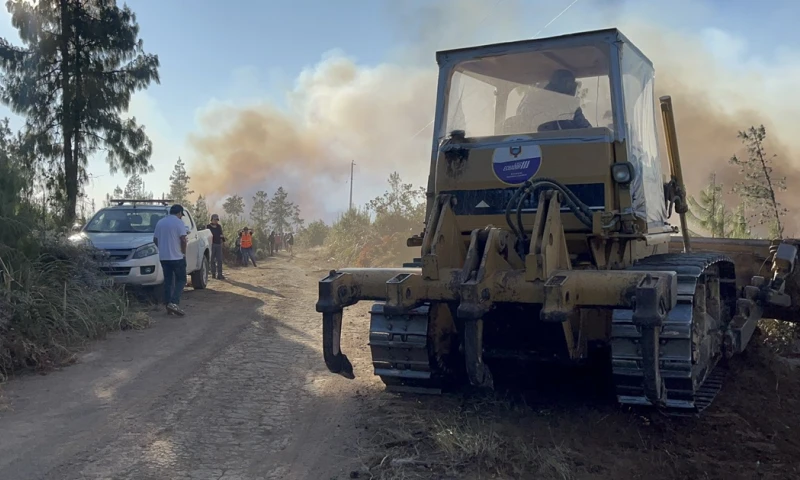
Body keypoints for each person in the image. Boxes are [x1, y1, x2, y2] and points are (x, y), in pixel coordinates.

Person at [153, 204, 188, 316]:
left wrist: (162, 250)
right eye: (181, 215)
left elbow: (155, 239)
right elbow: (183, 239)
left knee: (168, 281)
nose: (181, 217)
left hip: (164, 258)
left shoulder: (160, 222)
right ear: (179, 213)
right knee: (181, 280)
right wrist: (183, 252)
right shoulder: (179, 223)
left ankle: (168, 306)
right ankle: (174, 302)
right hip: (177, 257)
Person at [206, 213, 226, 280]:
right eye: (215, 219)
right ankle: (213, 273)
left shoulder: (219, 226)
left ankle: (219, 274)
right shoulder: (208, 226)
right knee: (212, 260)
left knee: (219, 260)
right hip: (211, 244)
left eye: (217, 220)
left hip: (218, 244)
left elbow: (221, 234)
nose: (216, 221)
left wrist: (223, 241)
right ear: (211, 219)